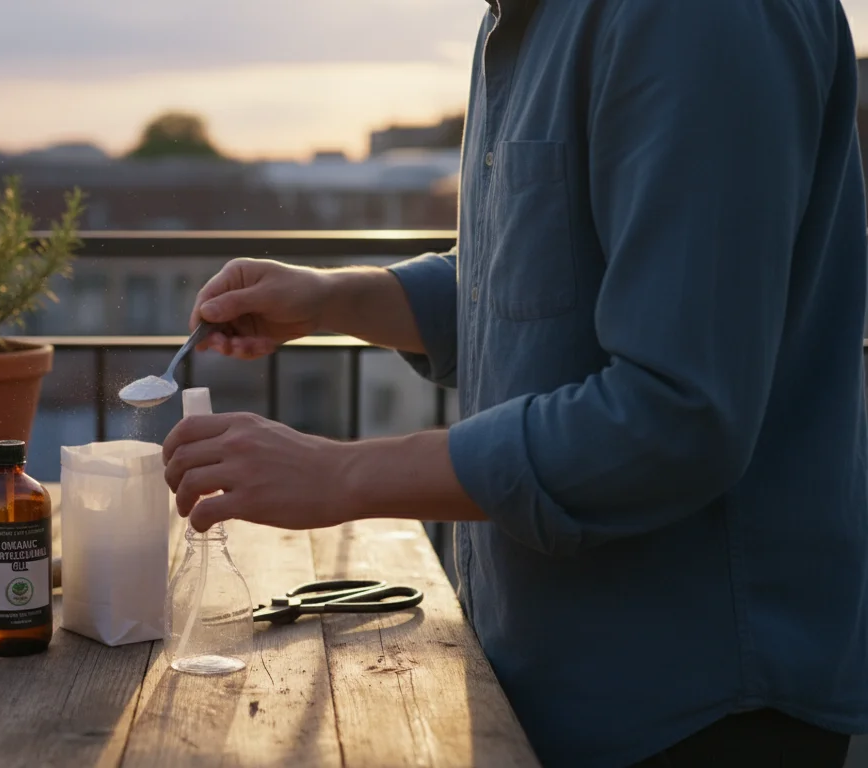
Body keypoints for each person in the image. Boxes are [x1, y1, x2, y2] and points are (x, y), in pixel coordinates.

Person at [160, 1, 868, 766]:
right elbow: (540, 283)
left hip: (693, 711)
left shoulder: (693, 17)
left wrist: (342, 472)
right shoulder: (527, 20)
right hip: (552, 688)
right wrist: (336, 299)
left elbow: (676, 417)